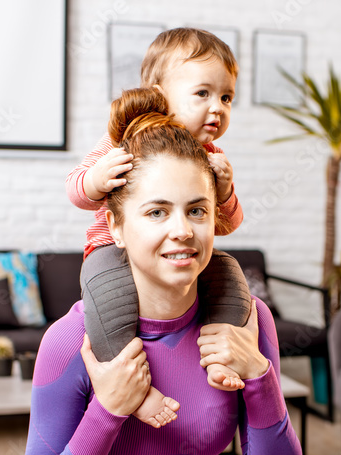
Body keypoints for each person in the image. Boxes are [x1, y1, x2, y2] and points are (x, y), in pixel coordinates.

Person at [22, 87, 328, 455]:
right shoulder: (73, 340)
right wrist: (108, 410)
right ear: (114, 225)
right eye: (156, 211)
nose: (182, 230)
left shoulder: (247, 323)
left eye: (196, 210)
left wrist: (261, 380)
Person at [67, 27, 250, 430]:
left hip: (178, 255)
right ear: (160, 91)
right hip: (112, 250)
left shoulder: (212, 156)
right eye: (202, 93)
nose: (216, 107)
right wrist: (97, 178)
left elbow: (230, 224)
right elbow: (76, 190)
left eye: (226, 97)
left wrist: (225, 191)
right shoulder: (127, 135)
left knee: (232, 276)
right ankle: (131, 389)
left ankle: (221, 354)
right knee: (105, 293)